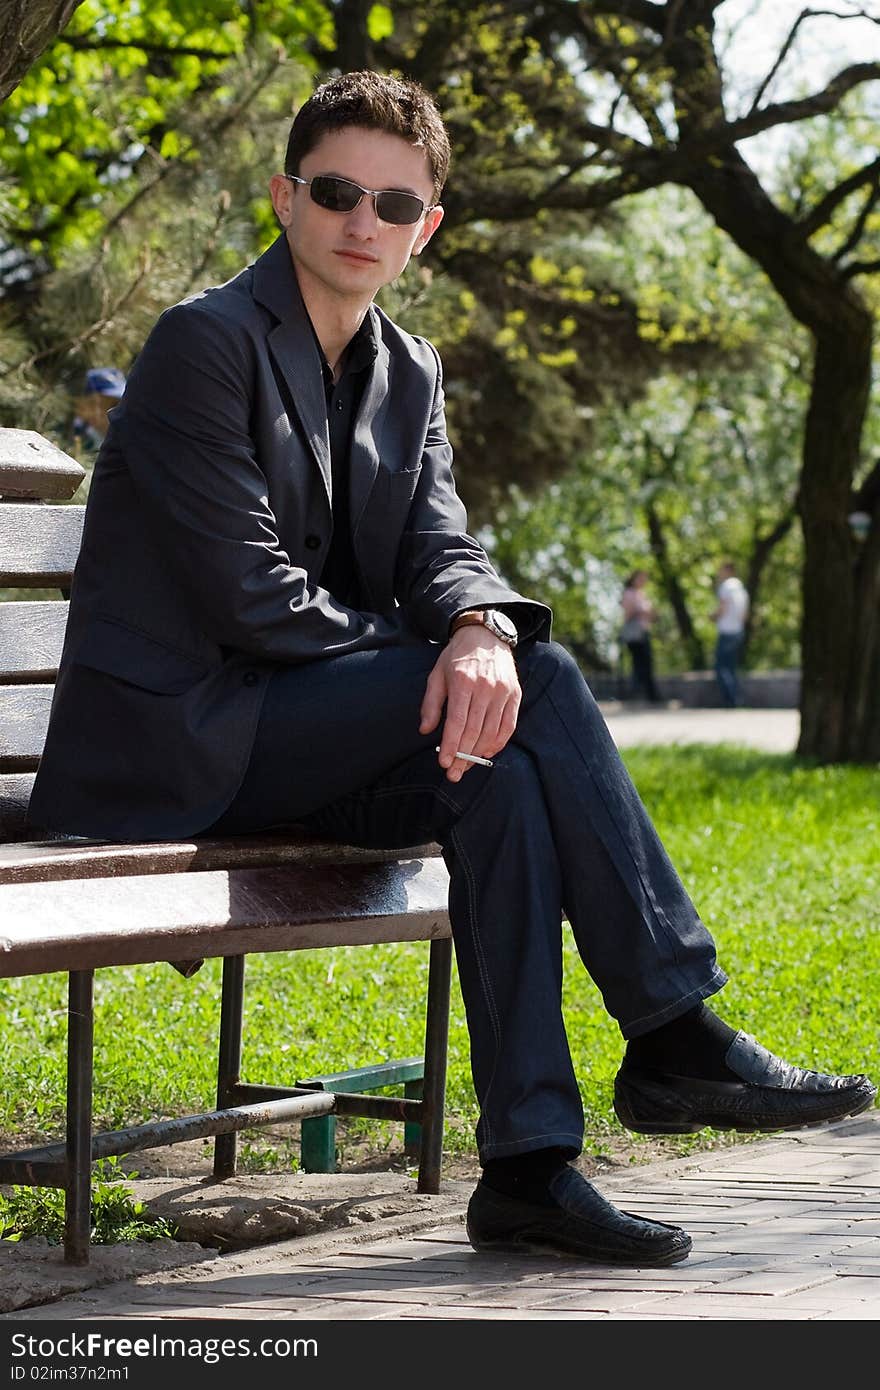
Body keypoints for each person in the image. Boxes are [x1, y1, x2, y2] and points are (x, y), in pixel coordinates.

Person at [28, 71, 875, 1269]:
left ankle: (528, 1169)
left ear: (425, 228)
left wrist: (477, 626)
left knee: (503, 771)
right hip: (182, 746)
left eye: (393, 203)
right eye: (335, 192)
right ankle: (676, 1030)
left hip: (305, 735)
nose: (360, 221)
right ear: (286, 197)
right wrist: (463, 659)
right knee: (549, 683)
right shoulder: (204, 345)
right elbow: (252, 599)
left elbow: (438, 546)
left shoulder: (408, 369)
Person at [620, 569, 662, 703]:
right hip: (635, 634)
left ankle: (649, 695)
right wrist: (640, 611)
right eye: (641, 578)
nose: (643, 581)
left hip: (644, 632)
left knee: (647, 663)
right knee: (639, 664)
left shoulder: (641, 594)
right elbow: (627, 614)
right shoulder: (629, 594)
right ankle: (639, 694)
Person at [713, 560, 749, 707]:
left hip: (727, 630)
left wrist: (713, 616)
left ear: (728, 571)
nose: (719, 574)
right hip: (738, 630)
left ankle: (729, 700)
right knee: (731, 667)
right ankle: (734, 698)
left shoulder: (726, 587)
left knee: (721, 667)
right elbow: (745, 614)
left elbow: (723, 608)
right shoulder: (742, 589)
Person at [71, 366, 126, 459]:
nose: (120, 411)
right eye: (113, 404)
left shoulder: (122, 443)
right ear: (89, 405)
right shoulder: (74, 442)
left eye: (123, 404)